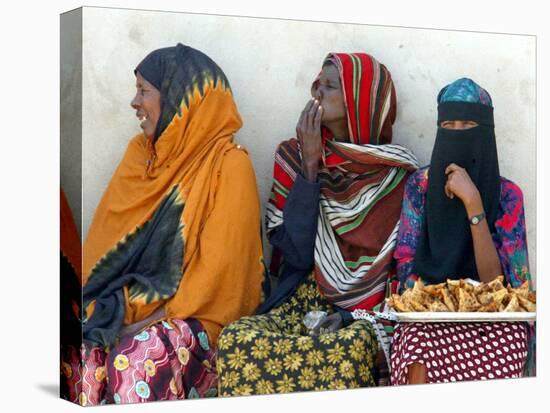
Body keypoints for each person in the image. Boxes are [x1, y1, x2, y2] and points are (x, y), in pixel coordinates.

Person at [61, 44, 264, 405]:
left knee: (134, 362)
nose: (134, 103)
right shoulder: (140, 154)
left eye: (144, 91)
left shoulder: (230, 166)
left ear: (181, 99)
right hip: (128, 310)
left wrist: (144, 323)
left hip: (201, 320)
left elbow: (218, 278)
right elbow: (104, 250)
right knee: (80, 363)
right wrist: (115, 317)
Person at [216, 52, 419, 396]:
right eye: (317, 85)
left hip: (366, 309)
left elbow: (401, 272)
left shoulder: (395, 174)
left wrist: (352, 317)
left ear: (360, 99)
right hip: (302, 295)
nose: (317, 95)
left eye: (329, 86)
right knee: (238, 338)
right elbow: (293, 255)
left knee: (347, 349)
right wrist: (310, 168)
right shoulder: (294, 156)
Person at [390, 78, 534, 385]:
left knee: (510, 343)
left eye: (467, 123)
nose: (456, 133)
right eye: (448, 124)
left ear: (485, 132)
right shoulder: (420, 187)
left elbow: (502, 286)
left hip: (491, 319)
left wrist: (473, 203)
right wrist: (442, 305)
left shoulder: (509, 196)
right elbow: (408, 271)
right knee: (417, 345)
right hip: (428, 315)